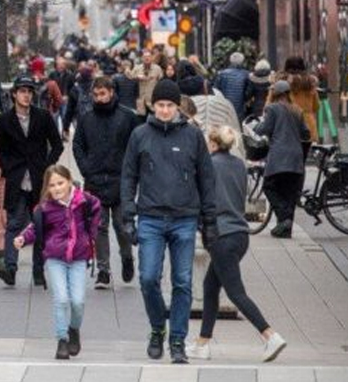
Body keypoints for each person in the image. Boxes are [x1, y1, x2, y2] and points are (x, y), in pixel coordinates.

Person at [119, 78, 217, 364]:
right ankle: (157, 327)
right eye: (160, 105)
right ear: (153, 105)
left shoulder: (193, 136)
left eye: (169, 105)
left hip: (184, 217)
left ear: (178, 107)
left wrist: (209, 220)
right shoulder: (140, 135)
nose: (164, 110)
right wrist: (128, 214)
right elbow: (128, 176)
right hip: (150, 216)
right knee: (148, 278)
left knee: (182, 282)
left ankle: (177, 339)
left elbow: (206, 178)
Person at [188, 126, 288, 362]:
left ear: (213, 144)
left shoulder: (209, 165)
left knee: (235, 293)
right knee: (210, 287)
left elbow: (202, 198)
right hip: (240, 234)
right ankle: (202, 343)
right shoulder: (239, 165)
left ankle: (270, 335)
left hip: (221, 236)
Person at [15, 165, 101, 360]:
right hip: (55, 258)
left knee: (78, 301)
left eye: (60, 183)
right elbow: (35, 228)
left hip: (79, 257)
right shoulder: (45, 208)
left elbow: (97, 209)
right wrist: (23, 238)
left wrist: (91, 235)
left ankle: (74, 329)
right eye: (52, 185)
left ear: (69, 181)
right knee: (61, 299)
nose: (57, 188)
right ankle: (62, 339)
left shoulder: (83, 200)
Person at [0, 76, 64, 287]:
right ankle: (10, 268)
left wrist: (47, 167)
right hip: (17, 180)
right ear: (14, 94)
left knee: (40, 225)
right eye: (22, 91)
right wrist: (9, 169)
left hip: (39, 180)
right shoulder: (5, 120)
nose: (26, 95)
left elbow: (57, 145)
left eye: (29, 92)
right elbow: (0, 150)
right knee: (14, 224)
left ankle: (38, 270)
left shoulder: (42, 117)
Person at [72, 76, 138, 288]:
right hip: (95, 179)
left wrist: (131, 173)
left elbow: (135, 146)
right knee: (99, 226)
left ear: (111, 92)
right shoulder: (87, 118)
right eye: (96, 94)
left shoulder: (127, 117)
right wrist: (86, 169)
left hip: (120, 179)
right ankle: (103, 270)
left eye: (103, 94)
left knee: (122, 225)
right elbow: (78, 145)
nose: (99, 98)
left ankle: (126, 257)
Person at [255, 81, 310, 239]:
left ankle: (284, 219)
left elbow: (265, 129)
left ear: (275, 93)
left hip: (279, 156)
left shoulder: (272, 108)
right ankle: (285, 229)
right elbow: (306, 133)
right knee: (289, 193)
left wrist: (255, 127)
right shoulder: (297, 109)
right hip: (296, 157)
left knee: (269, 187)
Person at [281, 56, 321, 149]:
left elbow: (269, 106)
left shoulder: (281, 84)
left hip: (287, 127)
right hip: (308, 127)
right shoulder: (310, 84)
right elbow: (316, 106)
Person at [213, 52, 252, 119]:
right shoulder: (246, 74)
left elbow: (216, 90)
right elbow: (248, 92)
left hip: (224, 106)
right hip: (239, 107)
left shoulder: (222, 74)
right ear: (242, 61)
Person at [132, 50, 164, 114]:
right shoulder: (137, 68)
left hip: (152, 101)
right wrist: (137, 77)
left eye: (148, 56)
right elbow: (130, 78)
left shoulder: (157, 69)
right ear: (142, 58)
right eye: (145, 57)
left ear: (151, 58)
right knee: (141, 118)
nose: (147, 58)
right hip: (140, 102)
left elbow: (161, 82)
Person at [315, 63, 339, 145]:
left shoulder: (321, 79)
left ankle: (323, 138)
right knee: (325, 118)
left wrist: (323, 90)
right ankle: (329, 137)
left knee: (326, 118)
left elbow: (319, 88)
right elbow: (318, 88)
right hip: (322, 100)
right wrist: (324, 90)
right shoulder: (321, 79)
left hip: (323, 99)